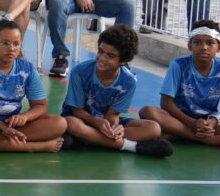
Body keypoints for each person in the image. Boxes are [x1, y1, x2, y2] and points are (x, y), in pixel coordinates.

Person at [139, 21, 220, 149]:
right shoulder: (178, 65)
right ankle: (209, 140)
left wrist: (213, 122)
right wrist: (192, 123)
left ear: (219, 47)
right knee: (147, 111)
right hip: (180, 118)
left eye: (210, 43)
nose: (203, 47)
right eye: (197, 43)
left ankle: (178, 134)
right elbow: (166, 102)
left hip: (207, 121)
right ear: (189, 46)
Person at [61, 25, 174, 156]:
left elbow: (112, 114)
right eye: (100, 51)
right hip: (81, 119)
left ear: (124, 60)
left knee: (153, 128)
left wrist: (115, 127)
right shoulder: (80, 72)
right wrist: (97, 123)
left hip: (104, 123)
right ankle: (131, 146)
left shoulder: (129, 81)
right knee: (72, 124)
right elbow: (77, 111)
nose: (102, 58)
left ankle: (90, 139)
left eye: (110, 55)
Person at [0, 20, 69, 152]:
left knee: (59, 123)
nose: (11, 48)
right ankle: (33, 147)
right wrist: (2, 127)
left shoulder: (27, 69)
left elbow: (41, 106)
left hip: (12, 125)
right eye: (5, 43)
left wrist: (24, 117)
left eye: (16, 44)